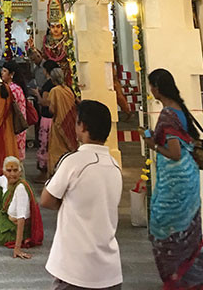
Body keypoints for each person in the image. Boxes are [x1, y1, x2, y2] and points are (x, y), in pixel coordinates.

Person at [41, 100, 123, 290]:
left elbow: (46, 199)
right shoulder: (114, 166)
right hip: (109, 270)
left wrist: (65, 204)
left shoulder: (74, 161)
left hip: (75, 268)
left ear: (83, 126)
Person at [143, 68, 203, 290]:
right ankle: (190, 279)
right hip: (186, 177)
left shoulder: (168, 115)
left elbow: (174, 152)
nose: (151, 90)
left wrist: (152, 144)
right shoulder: (179, 109)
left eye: (151, 85)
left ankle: (176, 279)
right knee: (186, 229)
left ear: (157, 88)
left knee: (165, 226)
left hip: (176, 180)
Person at [0, 156, 44, 257]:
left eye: (15, 170)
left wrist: (17, 248)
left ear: (20, 172)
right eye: (9, 170)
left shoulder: (20, 188)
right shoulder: (5, 180)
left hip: (14, 229)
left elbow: (21, 219)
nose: (12, 174)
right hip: (6, 220)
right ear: (3, 172)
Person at [48, 67, 78, 176]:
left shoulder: (55, 91)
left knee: (56, 151)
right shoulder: (68, 89)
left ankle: (57, 175)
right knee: (68, 150)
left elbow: (52, 109)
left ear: (52, 79)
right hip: (70, 122)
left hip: (59, 124)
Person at [2, 61, 29, 161]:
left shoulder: (13, 89)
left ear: (11, 74)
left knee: (14, 156)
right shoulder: (13, 87)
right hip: (17, 126)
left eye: (5, 71)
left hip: (15, 126)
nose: (2, 73)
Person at [35, 60, 58, 173]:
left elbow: (45, 102)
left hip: (47, 119)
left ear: (46, 71)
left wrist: (37, 94)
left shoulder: (48, 85)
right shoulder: (59, 85)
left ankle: (45, 170)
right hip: (55, 119)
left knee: (45, 144)